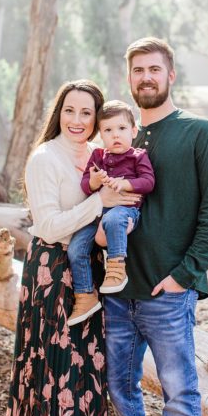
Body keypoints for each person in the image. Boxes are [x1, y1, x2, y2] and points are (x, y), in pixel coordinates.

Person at [91, 37, 208, 416]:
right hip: (118, 293)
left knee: (178, 394)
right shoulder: (117, 139)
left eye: (155, 69)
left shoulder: (198, 133)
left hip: (166, 293)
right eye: (138, 71)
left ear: (171, 75)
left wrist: (184, 276)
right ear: (128, 79)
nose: (146, 78)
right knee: (120, 386)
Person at [3, 80, 141, 416]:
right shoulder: (46, 158)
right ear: (58, 113)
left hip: (88, 277)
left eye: (87, 113)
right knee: (54, 371)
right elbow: (47, 226)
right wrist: (99, 200)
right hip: (51, 275)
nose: (78, 121)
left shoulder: (99, 156)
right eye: (70, 111)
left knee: (83, 371)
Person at [66, 100, 155, 326]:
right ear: (100, 135)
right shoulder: (97, 156)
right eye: (108, 130)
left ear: (134, 131)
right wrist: (94, 181)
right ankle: (85, 296)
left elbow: (148, 182)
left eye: (122, 129)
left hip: (125, 212)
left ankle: (117, 268)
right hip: (95, 215)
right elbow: (86, 185)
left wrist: (124, 184)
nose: (115, 135)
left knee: (114, 219)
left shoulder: (138, 156)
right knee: (76, 248)